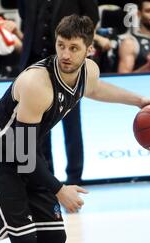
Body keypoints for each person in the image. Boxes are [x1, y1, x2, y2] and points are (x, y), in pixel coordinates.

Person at [0, 15, 150, 243]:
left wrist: (138, 101)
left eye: (73, 48)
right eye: (61, 46)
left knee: (53, 237)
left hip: (26, 151)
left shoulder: (89, 72)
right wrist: (60, 189)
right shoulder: (37, 83)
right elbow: (22, 154)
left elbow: (95, 88)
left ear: (88, 50)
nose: (65, 54)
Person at [18, 0, 100, 186]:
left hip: (67, 62)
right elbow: (25, 17)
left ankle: (74, 177)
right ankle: (47, 179)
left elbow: (92, 18)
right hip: (34, 60)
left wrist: (76, 48)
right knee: (38, 127)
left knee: (72, 124)